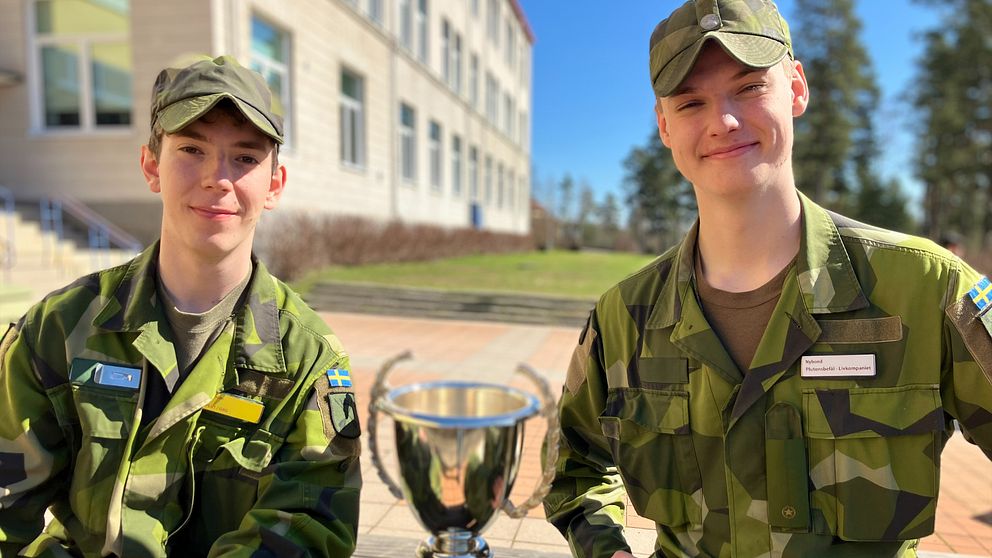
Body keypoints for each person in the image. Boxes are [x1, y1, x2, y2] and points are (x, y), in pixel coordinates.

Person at [543, 1, 992, 557]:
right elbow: (575, 462)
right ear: (664, 125)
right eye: (690, 102)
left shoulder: (926, 289)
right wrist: (605, 548)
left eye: (750, 87)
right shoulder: (624, 316)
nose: (723, 121)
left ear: (796, 87)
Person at [0, 55, 362, 556]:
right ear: (152, 166)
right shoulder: (58, 330)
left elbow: (309, 529)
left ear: (274, 185)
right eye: (192, 149)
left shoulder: (308, 360)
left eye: (245, 157)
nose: (218, 178)